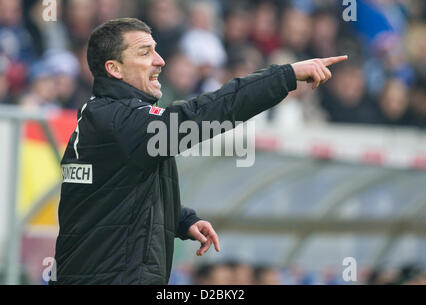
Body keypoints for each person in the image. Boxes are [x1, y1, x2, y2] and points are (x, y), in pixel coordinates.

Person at [51, 17, 347, 285]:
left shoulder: (106, 116)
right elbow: (201, 115)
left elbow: (113, 194)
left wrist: (180, 219)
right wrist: (284, 77)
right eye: (144, 53)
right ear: (114, 69)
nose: (160, 61)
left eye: (156, 50)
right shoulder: (120, 120)